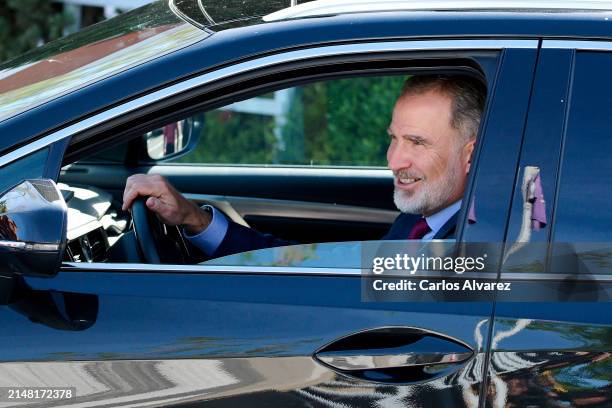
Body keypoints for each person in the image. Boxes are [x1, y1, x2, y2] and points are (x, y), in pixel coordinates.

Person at [122, 75, 486, 260]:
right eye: (394, 138)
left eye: (417, 143)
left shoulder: (475, 245)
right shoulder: (420, 221)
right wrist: (195, 220)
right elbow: (324, 270)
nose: (394, 161)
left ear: (471, 154)